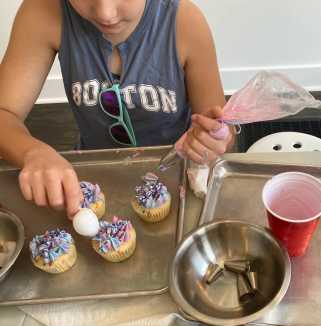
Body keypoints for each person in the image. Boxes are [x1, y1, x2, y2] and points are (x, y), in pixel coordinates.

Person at [0, 0, 232, 218]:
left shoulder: (185, 22)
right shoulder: (43, 11)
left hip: (178, 176)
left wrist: (213, 138)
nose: (105, 13)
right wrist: (32, 152)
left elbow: (221, 127)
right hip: (93, 173)